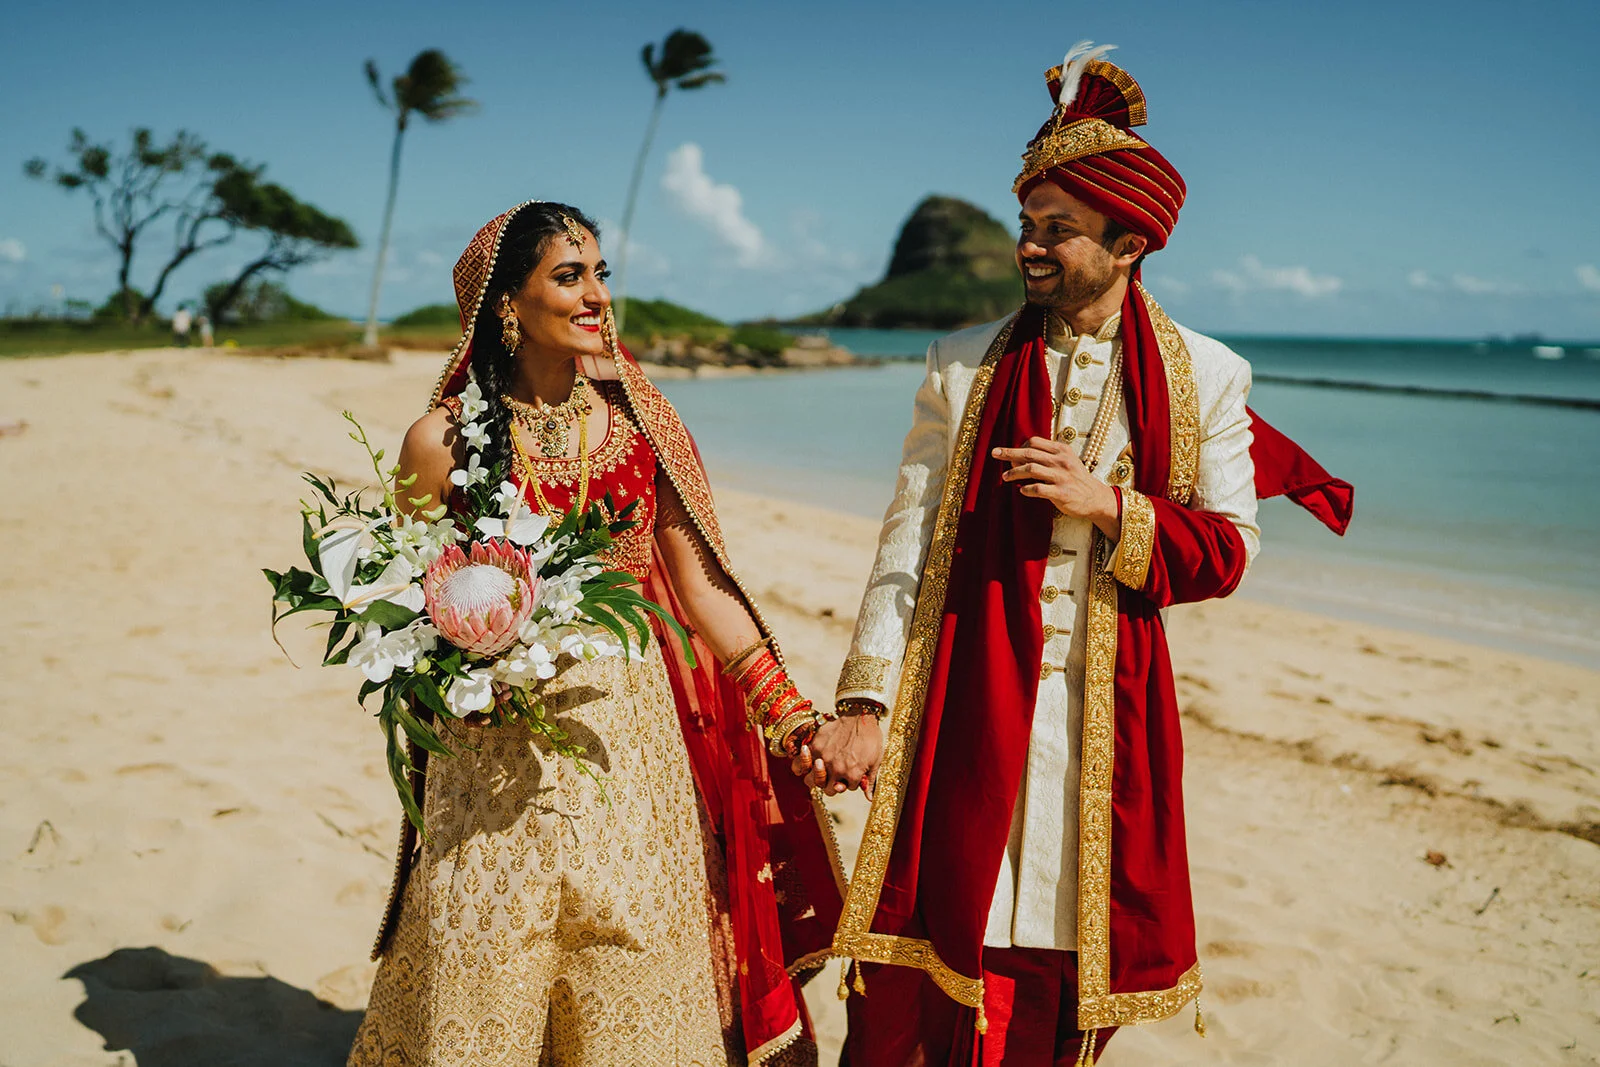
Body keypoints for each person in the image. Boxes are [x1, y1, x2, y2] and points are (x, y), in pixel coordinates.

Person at [806, 44, 1352, 1066]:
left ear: (1131, 239)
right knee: (918, 970)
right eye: (1026, 224)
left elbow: (1229, 550)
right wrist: (866, 701)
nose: (1031, 247)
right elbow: (908, 536)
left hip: (1103, 715)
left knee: (1061, 962)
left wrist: (1109, 504)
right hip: (961, 695)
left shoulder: (1206, 374)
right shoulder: (960, 362)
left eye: (1057, 229)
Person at [347, 202, 844, 1067]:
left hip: (629, 746)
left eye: (601, 274)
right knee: (483, 956)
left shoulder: (639, 425)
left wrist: (792, 715)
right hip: (490, 751)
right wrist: (462, 659)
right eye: (569, 276)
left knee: (631, 958)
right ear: (507, 302)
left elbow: (704, 590)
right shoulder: (440, 443)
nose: (597, 297)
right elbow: (400, 602)